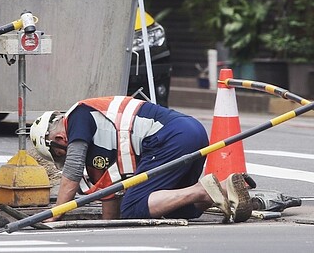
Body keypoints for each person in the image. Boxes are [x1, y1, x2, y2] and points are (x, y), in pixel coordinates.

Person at [30, 96, 253, 223]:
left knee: (134, 207)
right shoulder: (100, 143)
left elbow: (73, 169)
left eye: (60, 153)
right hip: (190, 131)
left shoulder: (78, 116)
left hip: (172, 137)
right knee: (177, 208)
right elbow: (109, 195)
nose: (66, 156)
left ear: (59, 138)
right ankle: (226, 189)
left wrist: (55, 214)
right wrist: (109, 231)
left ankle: (202, 190)